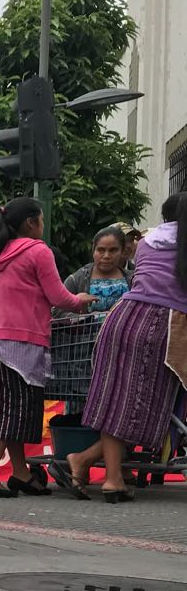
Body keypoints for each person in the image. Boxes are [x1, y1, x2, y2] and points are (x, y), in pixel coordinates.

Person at [51, 194, 187, 502]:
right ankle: (94, 467)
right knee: (152, 408)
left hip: (122, 319)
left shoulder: (149, 242)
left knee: (118, 403)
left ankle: (105, 474)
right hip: (163, 327)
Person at [0, 197, 92, 498]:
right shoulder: (37, 250)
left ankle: (22, 473)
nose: (43, 226)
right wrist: (80, 302)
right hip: (21, 341)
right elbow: (58, 295)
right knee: (15, 411)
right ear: (31, 222)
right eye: (42, 220)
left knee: (8, 408)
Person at [62, 227, 131, 313]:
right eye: (101, 250)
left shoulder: (133, 280)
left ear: (122, 252)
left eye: (113, 250)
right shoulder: (76, 280)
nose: (106, 256)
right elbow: (57, 311)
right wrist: (81, 316)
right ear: (93, 251)